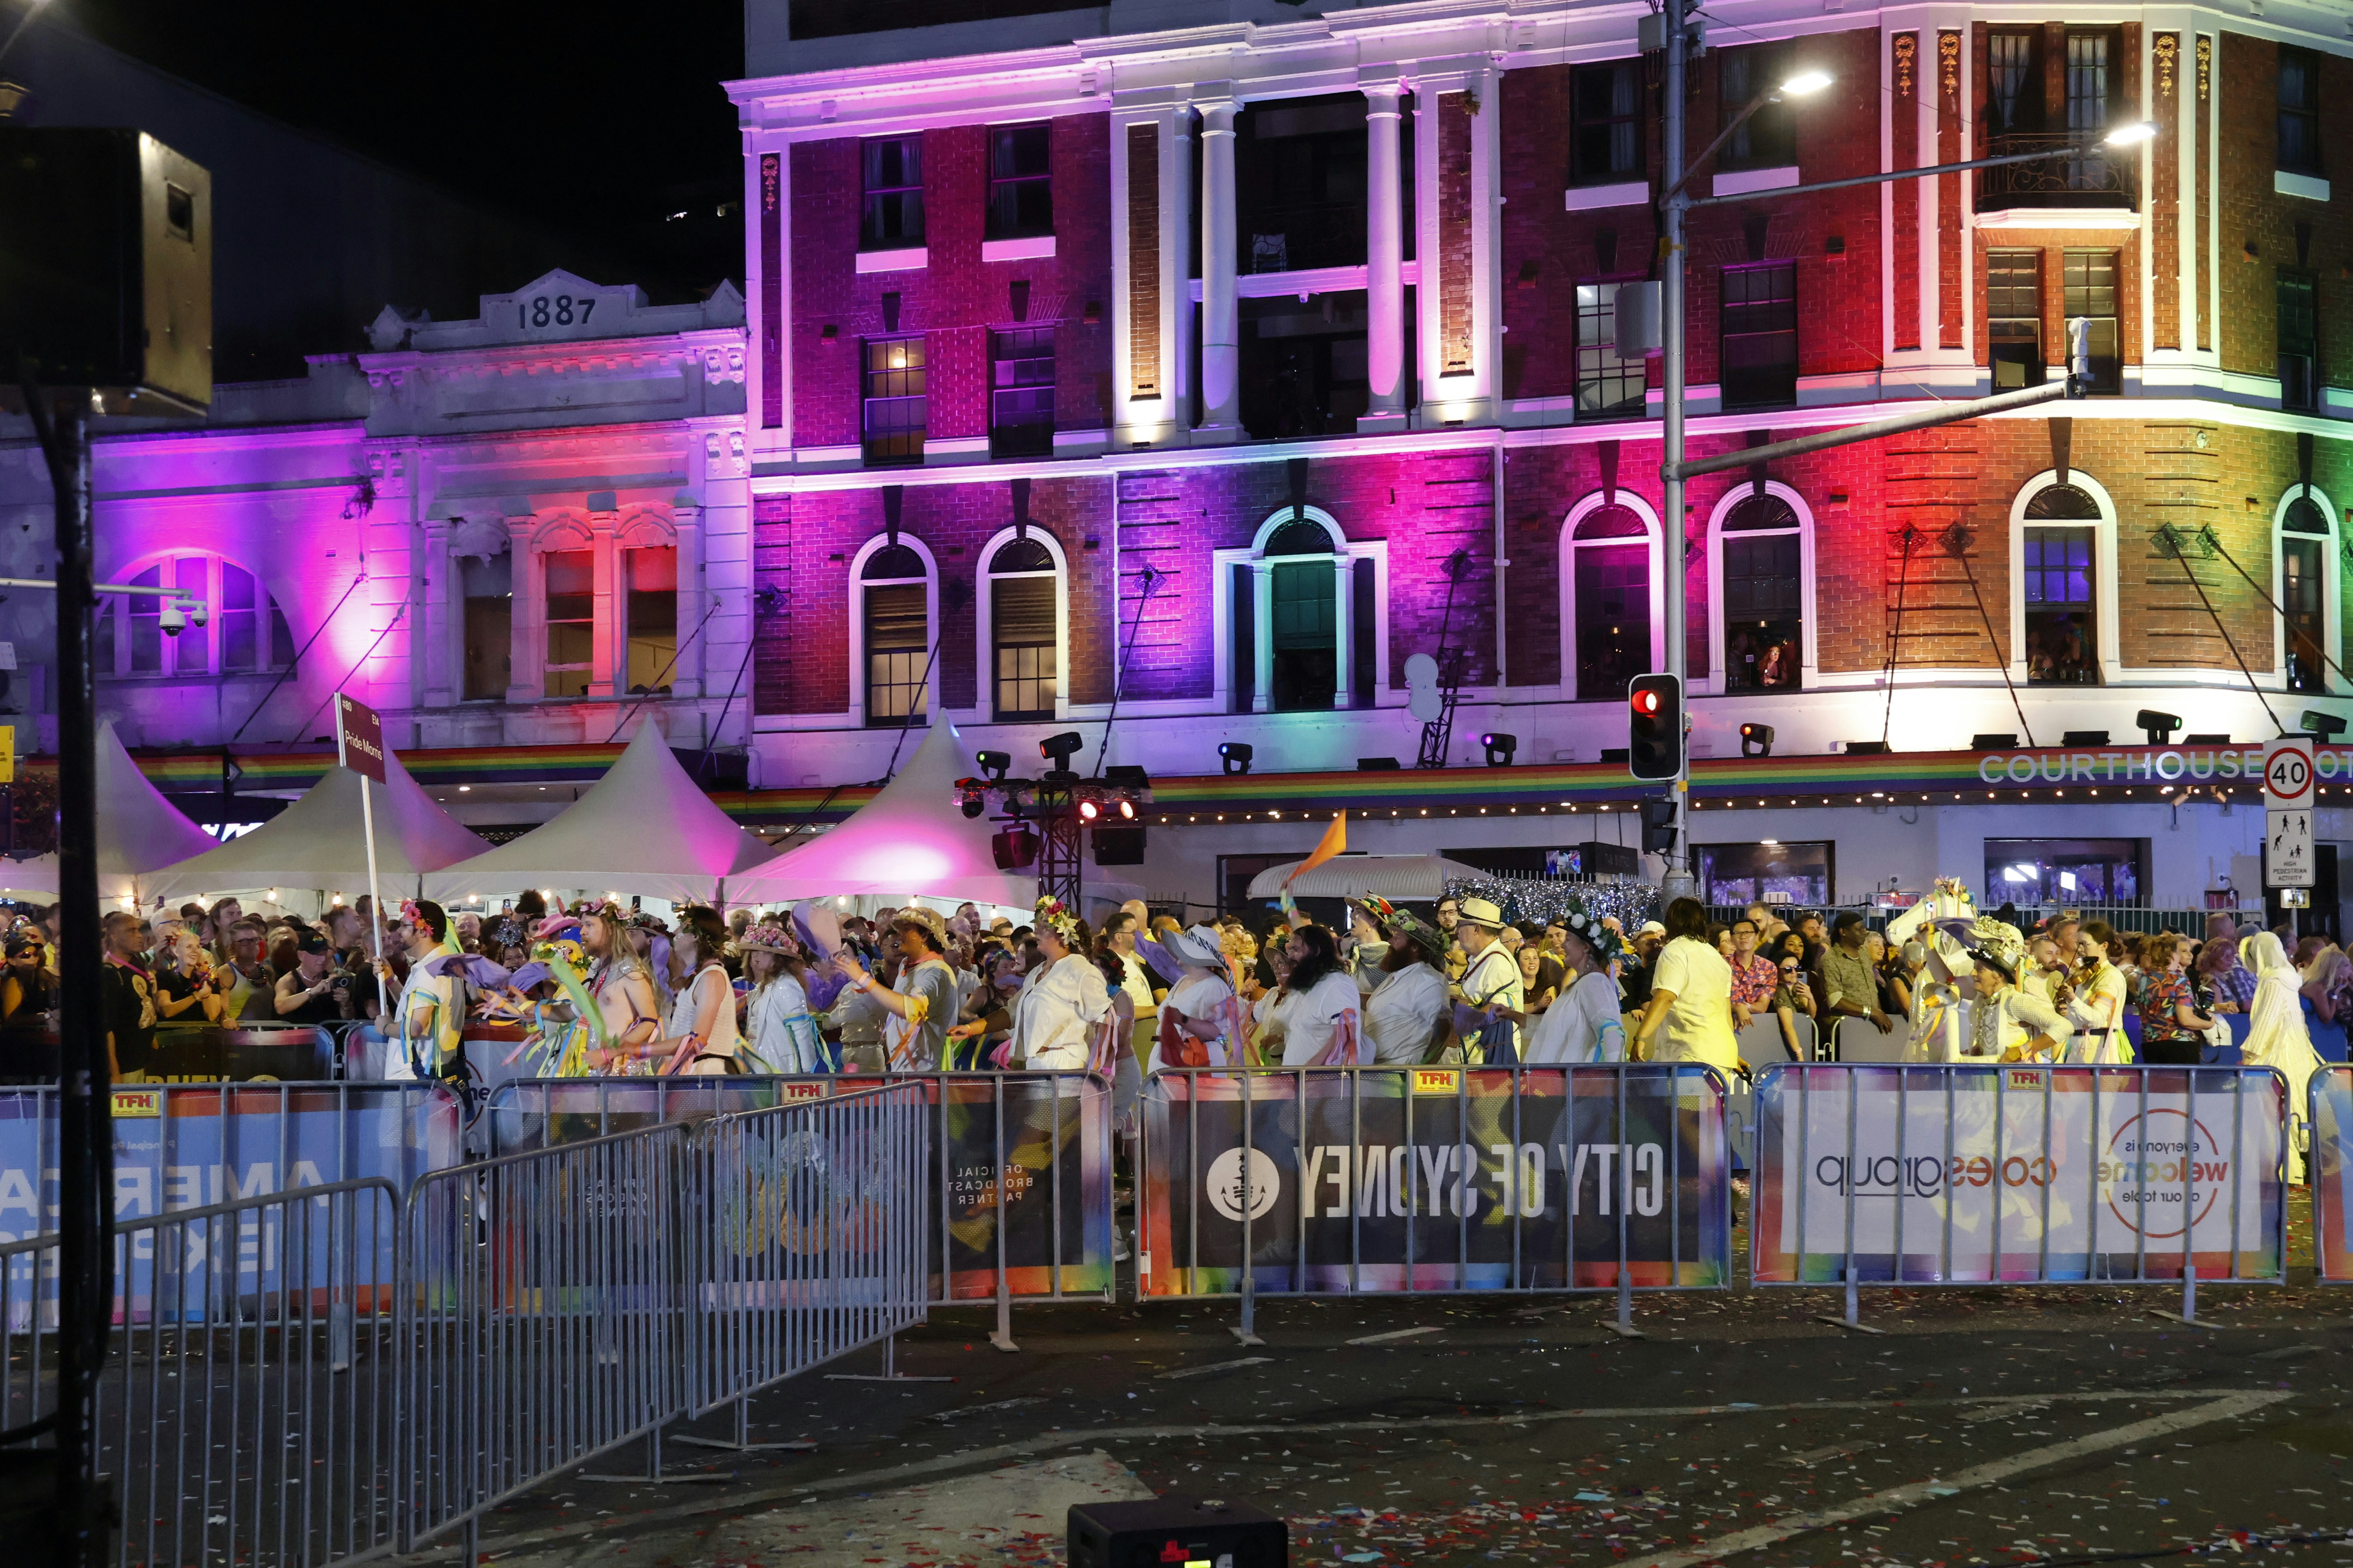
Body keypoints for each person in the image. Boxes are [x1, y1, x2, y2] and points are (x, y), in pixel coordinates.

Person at [2239, 932, 2323, 1181]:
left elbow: (2267, 1019)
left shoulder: (2274, 980)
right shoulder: (2287, 978)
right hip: (2296, 1052)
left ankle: (2285, 1171)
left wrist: (2251, 1051)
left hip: (2274, 1054)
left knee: (2272, 1114)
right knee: (2292, 1110)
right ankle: (2294, 1170)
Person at [1630, 898, 1739, 1074]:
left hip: (1691, 1054)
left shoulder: (1674, 952)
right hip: (1722, 1055)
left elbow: (1665, 997)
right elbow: (1725, 1010)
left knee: (1677, 1095)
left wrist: (1641, 1037)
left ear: (1671, 921)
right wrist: (1731, 1052)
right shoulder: (1717, 958)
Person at [1001, 898, 1109, 1070]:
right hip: (1036, 1062)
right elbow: (1014, 1011)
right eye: (1037, 927)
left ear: (1063, 936)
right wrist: (971, 1029)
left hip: (1064, 1062)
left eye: (1044, 928)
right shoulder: (1037, 972)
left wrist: (1097, 1065)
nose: (1036, 933)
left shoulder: (1081, 969)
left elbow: (1105, 1018)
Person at [1512, 910, 1627, 1063]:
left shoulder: (1594, 982)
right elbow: (1549, 1026)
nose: (1563, 944)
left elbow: (1612, 1032)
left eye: (1569, 940)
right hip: (1562, 1076)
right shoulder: (1579, 984)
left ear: (1585, 947)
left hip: (1577, 1077)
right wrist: (1510, 1015)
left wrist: (1609, 1074)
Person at [1349, 900, 1450, 1066]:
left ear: (1415, 948)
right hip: (1378, 1068)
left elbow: (1444, 1027)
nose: (1391, 942)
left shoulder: (1429, 980)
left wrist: (1425, 1068)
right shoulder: (1398, 975)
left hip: (1404, 1071)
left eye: (1398, 938)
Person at [1250, 922, 1363, 1066]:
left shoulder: (1336, 984)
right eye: (1289, 950)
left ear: (1316, 951)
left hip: (1322, 1078)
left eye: (1295, 950)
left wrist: (1309, 1070)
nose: (1290, 956)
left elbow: (1345, 1035)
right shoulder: (1312, 986)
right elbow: (1310, 1033)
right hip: (1303, 1078)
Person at [652, 906, 743, 1074]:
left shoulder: (713, 977)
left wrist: (640, 1050)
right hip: (694, 1070)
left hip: (707, 1072)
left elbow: (698, 1040)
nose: (675, 933)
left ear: (694, 936)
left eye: (681, 928)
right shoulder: (702, 976)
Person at [738, 924, 829, 1073]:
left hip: (779, 1065)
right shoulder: (765, 984)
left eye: (761, 952)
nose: (755, 956)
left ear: (776, 956)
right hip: (760, 1062)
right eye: (753, 951)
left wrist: (808, 1072)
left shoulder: (787, 984)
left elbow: (801, 1029)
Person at [1449, 898, 1523, 1063]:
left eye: (1461, 926)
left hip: (1486, 1062)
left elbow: (1498, 1013)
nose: (1457, 932)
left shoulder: (1498, 963)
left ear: (1476, 929)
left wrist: (1459, 1013)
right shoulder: (1483, 959)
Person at [1963, 948, 2068, 1061]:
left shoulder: (2014, 1001)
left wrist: (2022, 1050)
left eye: (1980, 970)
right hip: (1992, 1069)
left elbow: (2064, 1027)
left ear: (1999, 976)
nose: (1973, 974)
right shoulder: (1982, 1001)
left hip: (2017, 1070)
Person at [1819, 912, 1894, 1052]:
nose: (1864, 932)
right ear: (1843, 932)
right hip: (1845, 1032)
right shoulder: (1831, 959)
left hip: (1870, 1027)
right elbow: (1835, 1001)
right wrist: (1871, 1012)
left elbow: (1872, 989)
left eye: (1865, 928)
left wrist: (1877, 1012)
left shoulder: (1864, 953)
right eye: (1859, 929)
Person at [2138, 934, 2216, 1066]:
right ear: (2173, 956)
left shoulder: (2142, 979)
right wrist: (2209, 1024)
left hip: (2150, 1045)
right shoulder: (2179, 981)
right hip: (2180, 1045)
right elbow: (2186, 1020)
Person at [101, 910, 158, 1082]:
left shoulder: (135, 962)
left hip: (141, 1060)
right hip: (124, 1066)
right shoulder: (108, 974)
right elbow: (106, 1029)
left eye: (139, 930)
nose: (139, 936)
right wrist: (114, 1073)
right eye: (131, 931)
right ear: (114, 937)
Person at [2064, 921, 2131, 1063]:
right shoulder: (2086, 974)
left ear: (2104, 946)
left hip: (2100, 1048)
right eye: (2078, 944)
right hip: (2079, 1046)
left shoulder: (2110, 976)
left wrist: (2073, 999)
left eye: (2085, 944)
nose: (2080, 949)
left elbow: (2097, 1019)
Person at [271, 929, 346, 1025]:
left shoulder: (333, 979)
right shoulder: (289, 981)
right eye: (317, 955)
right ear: (301, 955)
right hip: (301, 1034)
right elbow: (281, 1007)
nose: (323, 959)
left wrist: (346, 1004)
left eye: (324, 953)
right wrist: (312, 992)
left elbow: (347, 1018)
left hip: (332, 1034)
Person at [1726, 916, 1778, 1036]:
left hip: (1756, 1028)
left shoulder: (1768, 967)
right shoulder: (1721, 964)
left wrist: (1744, 1007)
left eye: (1748, 933)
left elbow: (1762, 1006)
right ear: (1731, 938)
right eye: (1738, 933)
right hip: (1723, 1025)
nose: (1743, 937)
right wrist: (1737, 1008)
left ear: (1757, 936)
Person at [2198, 934, 2256, 1015]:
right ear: (2212, 957)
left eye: (2232, 956)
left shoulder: (2220, 979)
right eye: (2225, 956)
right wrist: (2222, 1007)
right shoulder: (2212, 982)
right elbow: (2211, 1009)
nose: (2231, 960)